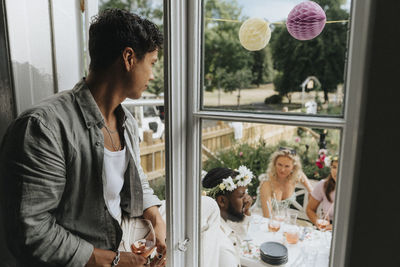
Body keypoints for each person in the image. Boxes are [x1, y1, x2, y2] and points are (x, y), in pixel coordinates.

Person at [0, 8, 166, 267]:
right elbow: (30, 232)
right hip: (86, 253)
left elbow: (135, 178)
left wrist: (155, 217)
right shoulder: (42, 128)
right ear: (129, 58)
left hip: (117, 234)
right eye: (153, 63)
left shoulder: (128, 123)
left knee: (202, 210)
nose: (153, 75)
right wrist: (117, 262)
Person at [202, 166, 254, 267]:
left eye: (246, 194)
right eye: (241, 196)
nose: (247, 199)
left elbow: (237, 239)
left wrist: (245, 213)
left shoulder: (217, 222)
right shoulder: (222, 248)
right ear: (222, 201)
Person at [252, 147, 313, 218]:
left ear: (293, 167)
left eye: (287, 166)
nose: (282, 170)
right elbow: (267, 216)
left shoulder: (294, 178)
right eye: (279, 164)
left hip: (280, 219)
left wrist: (310, 189)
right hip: (260, 220)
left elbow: (301, 174)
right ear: (274, 164)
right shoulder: (267, 183)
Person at [306, 156, 338, 231]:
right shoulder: (323, 185)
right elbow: (310, 209)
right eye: (334, 167)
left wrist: (334, 227)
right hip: (326, 229)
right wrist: (318, 222)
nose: (336, 171)